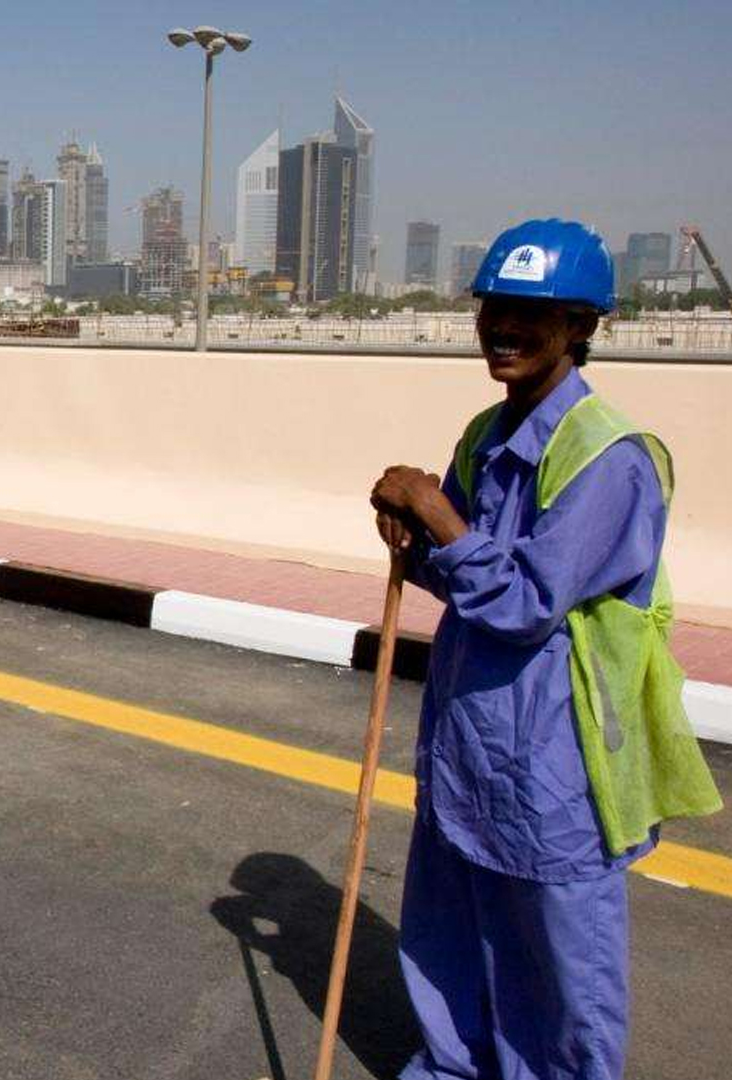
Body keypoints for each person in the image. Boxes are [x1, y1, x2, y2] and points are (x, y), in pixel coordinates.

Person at [369, 218, 720, 1080]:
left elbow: (524, 602)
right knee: (451, 929)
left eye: (533, 313)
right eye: (493, 307)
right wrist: (409, 532)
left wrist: (438, 514)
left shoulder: (612, 459)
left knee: (560, 963)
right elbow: (460, 577)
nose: (504, 327)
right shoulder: (484, 436)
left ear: (581, 327)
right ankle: (454, 1067)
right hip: (467, 740)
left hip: (557, 759)